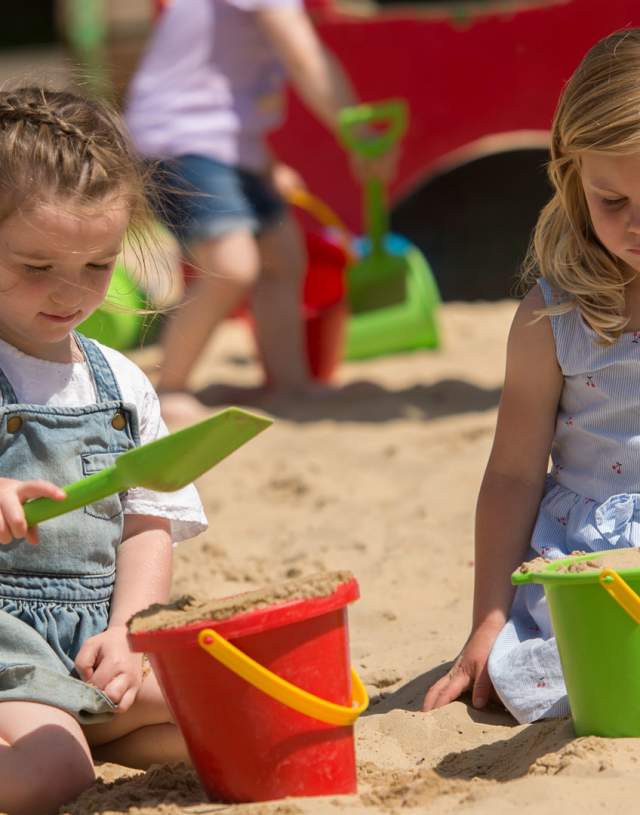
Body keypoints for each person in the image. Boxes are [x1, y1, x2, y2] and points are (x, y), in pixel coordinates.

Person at [0, 86, 207, 815]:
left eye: (96, 267)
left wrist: (127, 631)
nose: (70, 292)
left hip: (89, 638)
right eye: (35, 265)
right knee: (54, 773)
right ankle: (65, 740)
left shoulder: (119, 382)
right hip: (7, 648)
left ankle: (86, 729)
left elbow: (148, 520)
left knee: (224, 705)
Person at [423, 28, 640, 723]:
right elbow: (515, 473)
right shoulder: (554, 318)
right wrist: (488, 617)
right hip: (595, 564)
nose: (639, 225)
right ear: (573, 179)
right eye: (614, 203)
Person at [125, 0, 392, 424]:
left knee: (283, 257)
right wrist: (358, 133)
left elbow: (225, 83)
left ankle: (289, 384)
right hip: (180, 139)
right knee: (231, 265)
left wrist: (266, 163)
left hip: (234, 147)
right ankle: (170, 385)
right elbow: (305, 57)